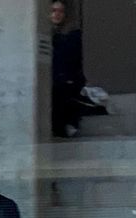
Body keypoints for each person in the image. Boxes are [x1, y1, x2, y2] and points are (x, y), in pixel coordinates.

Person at [50, 0, 86, 137]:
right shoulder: (42, 34)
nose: (57, 14)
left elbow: (72, 60)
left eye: (60, 11)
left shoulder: (72, 34)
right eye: (53, 10)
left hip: (66, 80)